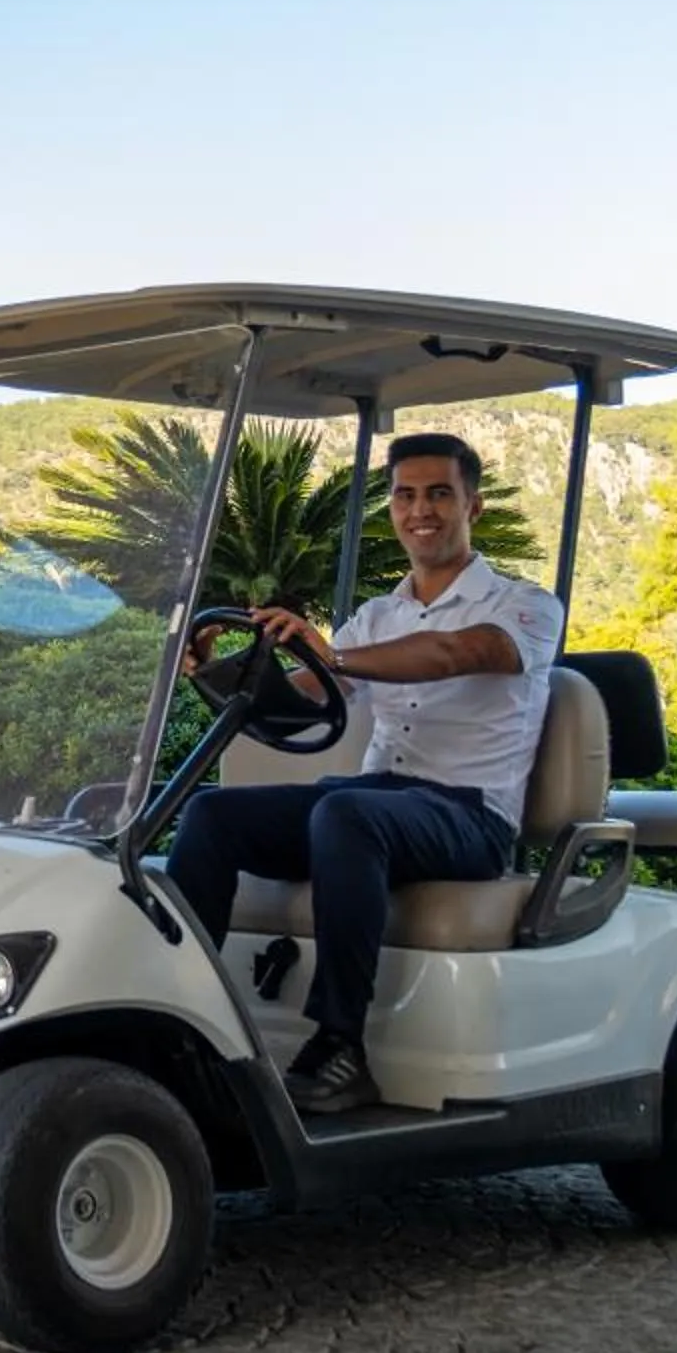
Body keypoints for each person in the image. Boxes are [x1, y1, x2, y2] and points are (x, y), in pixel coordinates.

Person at [164, 431, 564, 1115]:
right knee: (211, 815)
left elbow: (452, 653)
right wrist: (219, 670)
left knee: (343, 813)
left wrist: (339, 657)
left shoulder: (522, 605)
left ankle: (341, 1046)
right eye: (405, 495)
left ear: (476, 505)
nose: (421, 510)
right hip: (379, 806)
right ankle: (179, 1022)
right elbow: (313, 690)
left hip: (470, 817)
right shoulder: (379, 615)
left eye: (440, 493)